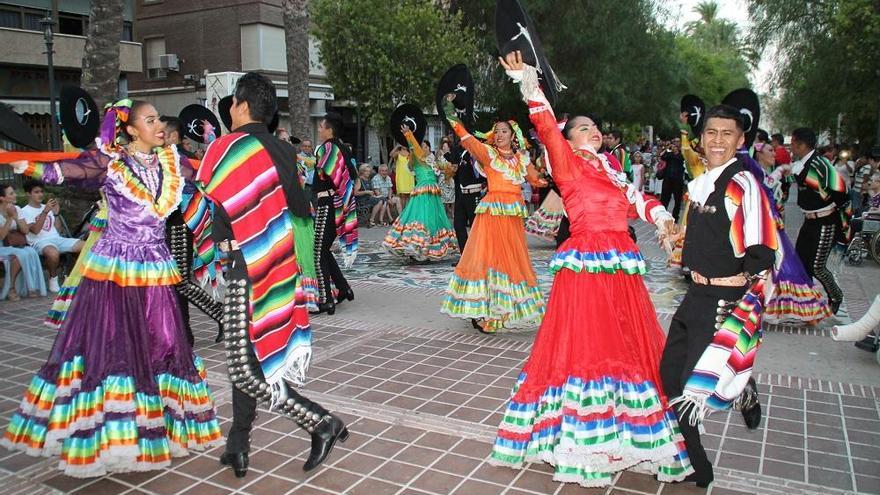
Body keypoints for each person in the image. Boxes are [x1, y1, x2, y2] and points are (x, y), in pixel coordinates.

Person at [491, 52, 690, 487]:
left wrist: (663, 219)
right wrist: (528, 80)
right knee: (587, 347)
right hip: (585, 265)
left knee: (627, 348)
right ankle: (583, 443)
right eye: (584, 127)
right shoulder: (566, 161)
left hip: (620, 265)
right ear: (569, 136)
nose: (594, 131)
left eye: (595, 127)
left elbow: (639, 199)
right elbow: (544, 123)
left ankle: (628, 436)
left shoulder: (613, 167)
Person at [2, 99, 223, 477]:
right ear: (133, 129)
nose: (159, 126)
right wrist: (31, 166)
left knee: (165, 343)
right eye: (150, 120)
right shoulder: (112, 163)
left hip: (154, 267)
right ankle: (112, 435)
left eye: (158, 120)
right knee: (115, 348)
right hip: (116, 271)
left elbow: (211, 173)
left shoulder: (172, 162)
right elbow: (71, 171)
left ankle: (162, 429)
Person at [194, 72, 348, 478]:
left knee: (243, 366)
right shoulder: (283, 149)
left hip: (244, 267)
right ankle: (237, 444)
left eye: (231, 102)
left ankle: (320, 423)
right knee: (248, 359)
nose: (229, 108)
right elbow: (300, 206)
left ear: (241, 105)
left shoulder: (226, 148)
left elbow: (207, 204)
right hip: (277, 266)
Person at [660, 105, 779, 488]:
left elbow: (762, 251)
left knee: (689, 389)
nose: (717, 141)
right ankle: (741, 384)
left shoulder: (743, 184)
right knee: (668, 376)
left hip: (722, 298)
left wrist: (743, 306)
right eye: (711, 133)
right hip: (694, 294)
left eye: (727, 134)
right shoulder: (705, 180)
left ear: (741, 140)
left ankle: (700, 469)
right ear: (701, 137)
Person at [440, 93, 544, 333]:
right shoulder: (489, 154)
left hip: (511, 219)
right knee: (487, 260)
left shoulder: (521, 159)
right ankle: (483, 310)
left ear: (513, 136)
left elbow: (537, 181)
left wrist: (548, 165)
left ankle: (501, 309)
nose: (498, 135)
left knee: (510, 262)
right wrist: (449, 112)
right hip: (492, 215)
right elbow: (465, 137)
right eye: (496, 131)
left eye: (503, 131)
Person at [790, 127, 849, 314]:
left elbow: (838, 190)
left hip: (825, 221)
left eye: (793, 142)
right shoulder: (804, 164)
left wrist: (839, 219)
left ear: (801, 144)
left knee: (817, 265)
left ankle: (836, 296)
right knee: (800, 262)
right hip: (809, 221)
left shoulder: (819, 163)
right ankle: (806, 301)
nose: (791, 146)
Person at [383, 126, 458, 261]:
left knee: (432, 220)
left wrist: (451, 168)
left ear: (429, 148)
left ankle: (429, 250)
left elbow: (447, 170)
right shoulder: (415, 159)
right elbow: (413, 149)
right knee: (421, 218)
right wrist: (408, 135)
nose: (424, 149)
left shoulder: (433, 161)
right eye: (421, 146)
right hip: (422, 192)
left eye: (426, 147)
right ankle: (416, 246)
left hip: (433, 193)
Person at [312, 112, 357, 315]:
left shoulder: (327, 148)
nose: (319, 130)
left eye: (321, 126)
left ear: (329, 129)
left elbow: (323, 172)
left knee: (318, 250)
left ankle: (326, 298)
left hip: (328, 203)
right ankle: (343, 288)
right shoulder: (343, 149)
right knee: (324, 249)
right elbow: (353, 178)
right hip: (336, 203)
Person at [18, 181, 84, 292]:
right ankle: (53, 278)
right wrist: (45, 211)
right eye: (36, 192)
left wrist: (56, 214)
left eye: (41, 192)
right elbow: (35, 230)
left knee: (85, 246)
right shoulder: (24, 211)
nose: (40, 194)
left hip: (57, 239)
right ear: (28, 194)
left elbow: (57, 230)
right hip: (39, 242)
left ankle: (69, 276)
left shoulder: (47, 208)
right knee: (53, 253)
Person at [0, 184, 46, 300]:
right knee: (21, 255)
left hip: (15, 244)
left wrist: (15, 216)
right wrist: (10, 218)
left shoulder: (18, 209)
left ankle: (31, 287)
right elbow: (2, 236)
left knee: (31, 251)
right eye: (11, 193)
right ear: (2, 198)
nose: (15, 195)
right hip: (2, 245)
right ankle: (11, 288)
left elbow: (25, 231)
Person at [658, 142, 686, 221]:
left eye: (675, 146)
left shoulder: (681, 156)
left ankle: (675, 217)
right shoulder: (669, 155)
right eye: (673, 146)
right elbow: (662, 156)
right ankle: (662, 214)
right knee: (665, 198)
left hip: (678, 180)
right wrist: (667, 149)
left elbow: (683, 160)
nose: (673, 148)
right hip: (668, 179)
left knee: (677, 200)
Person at [391, 143, 414, 209]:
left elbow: (412, 164)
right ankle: (403, 213)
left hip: (409, 176)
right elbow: (391, 155)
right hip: (401, 177)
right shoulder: (398, 153)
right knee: (402, 195)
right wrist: (397, 146)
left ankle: (409, 213)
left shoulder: (410, 153)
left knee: (409, 195)